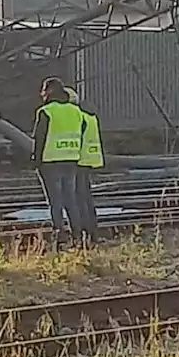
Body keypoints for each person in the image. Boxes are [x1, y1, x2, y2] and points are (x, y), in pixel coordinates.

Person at [31, 77, 85, 241]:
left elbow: (39, 138)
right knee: (71, 198)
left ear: (49, 91)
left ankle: (59, 233)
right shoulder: (76, 111)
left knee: (55, 200)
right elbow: (81, 131)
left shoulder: (46, 111)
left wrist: (36, 161)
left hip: (50, 161)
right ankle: (77, 233)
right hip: (71, 160)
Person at [67, 87, 102, 243]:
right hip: (88, 160)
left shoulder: (77, 117)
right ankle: (92, 231)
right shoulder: (90, 116)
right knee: (86, 198)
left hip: (78, 160)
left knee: (78, 199)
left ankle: (83, 232)